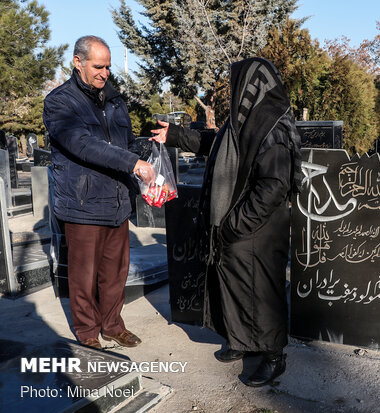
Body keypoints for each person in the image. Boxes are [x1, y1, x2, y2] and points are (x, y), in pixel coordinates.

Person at [151, 57, 301, 387]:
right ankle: (242, 341)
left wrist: (236, 224)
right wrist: (174, 135)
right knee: (233, 289)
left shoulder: (271, 128)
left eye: (236, 84)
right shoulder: (244, 122)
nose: (231, 91)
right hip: (234, 224)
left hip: (256, 229)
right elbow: (215, 144)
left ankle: (273, 356)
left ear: (251, 87)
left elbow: (273, 186)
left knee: (260, 293)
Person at [43, 35, 154, 350]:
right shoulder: (59, 102)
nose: (105, 73)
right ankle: (88, 332)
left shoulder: (116, 100)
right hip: (83, 204)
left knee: (115, 273)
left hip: (118, 201)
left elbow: (127, 143)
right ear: (78, 62)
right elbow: (82, 145)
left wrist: (149, 155)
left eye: (108, 66)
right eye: (98, 66)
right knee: (84, 275)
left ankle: (113, 325)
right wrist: (133, 162)